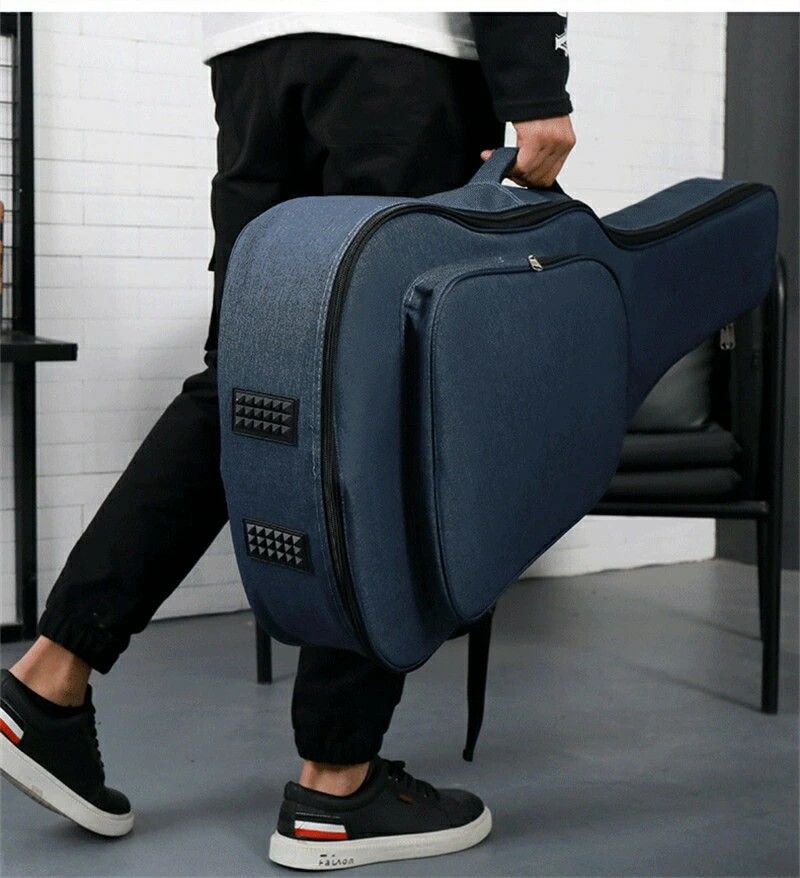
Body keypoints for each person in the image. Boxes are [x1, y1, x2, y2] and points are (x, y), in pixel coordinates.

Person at [0, 12, 575, 870]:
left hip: (252, 51)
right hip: (401, 60)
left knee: (248, 379)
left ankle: (47, 679)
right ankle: (337, 785)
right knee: (384, 391)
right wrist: (534, 83)